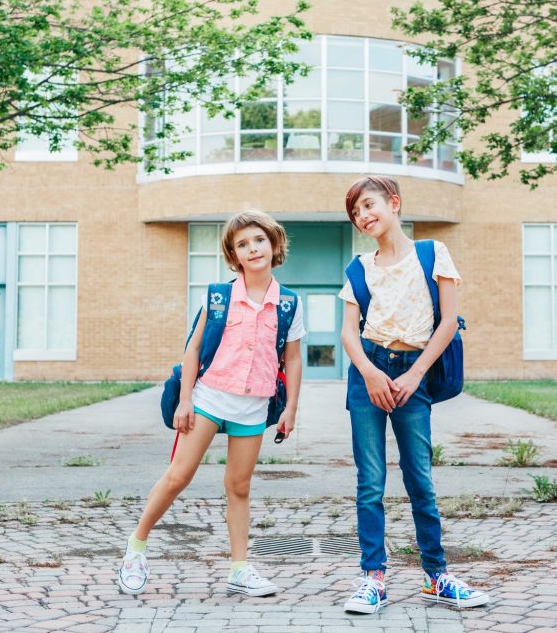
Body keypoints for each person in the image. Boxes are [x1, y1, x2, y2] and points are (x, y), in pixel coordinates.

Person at [117, 210, 305, 597]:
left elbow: (294, 359)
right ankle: (135, 549)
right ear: (234, 256)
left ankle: (240, 568)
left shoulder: (289, 304)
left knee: (239, 486)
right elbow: (194, 350)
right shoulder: (219, 297)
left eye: (259, 240)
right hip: (209, 399)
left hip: (253, 407)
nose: (252, 249)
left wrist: (291, 409)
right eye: (242, 244)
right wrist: (186, 400)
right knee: (178, 476)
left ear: (274, 244)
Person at [338, 176, 489, 613]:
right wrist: (368, 374)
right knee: (370, 482)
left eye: (369, 205)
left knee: (419, 477)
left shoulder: (432, 253)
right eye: (356, 213)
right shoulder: (358, 268)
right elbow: (349, 332)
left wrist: (414, 375)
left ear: (394, 203)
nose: (364, 216)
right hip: (369, 373)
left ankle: (436, 577)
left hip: (413, 373)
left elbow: (447, 323)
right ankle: (373, 579)